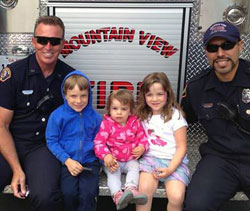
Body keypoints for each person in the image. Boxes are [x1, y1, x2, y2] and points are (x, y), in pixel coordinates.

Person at [0, 16, 75, 210]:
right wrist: (17, 170)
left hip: (44, 147)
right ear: (34, 41)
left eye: (54, 41)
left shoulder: (70, 79)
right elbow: (1, 125)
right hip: (10, 142)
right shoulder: (13, 74)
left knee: (46, 197)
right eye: (42, 40)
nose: (48, 46)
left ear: (62, 44)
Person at [181, 21, 250, 211]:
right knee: (196, 206)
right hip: (220, 160)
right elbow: (178, 121)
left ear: (240, 46)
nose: (220, 54)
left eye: (227, 45)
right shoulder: (197, 87)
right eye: (213, 48)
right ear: (206, 52)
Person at [46, 70, 102, 211]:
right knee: (68, 193)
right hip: (67, 163)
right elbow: (52, 141)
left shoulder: (95, 117)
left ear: (89, 95)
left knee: (88, 194)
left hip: (90, 163)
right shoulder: (57, 116)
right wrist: (67, 160)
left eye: (83, 96)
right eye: (73, 96)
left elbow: (101, 141)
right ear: (65, 95)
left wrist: (102, 161)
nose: (78, 101)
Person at [136, 72, 190, 211]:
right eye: (149, 95)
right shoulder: (142, 115)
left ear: (168, 93)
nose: (154, 99)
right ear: (144, 96)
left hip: (174, 162)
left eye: (159, 94)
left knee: (177, 196)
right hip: (150, 159)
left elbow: (181, 147)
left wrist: (170, 169)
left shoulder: (175, 115)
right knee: (144, 191)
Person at [94, 89, 149, 210]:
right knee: (113, 174)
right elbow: (99, 142)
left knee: (135, 168)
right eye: (115, 108)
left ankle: (131, 189)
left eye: (124, 109)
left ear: (130, 110)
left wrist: (142, 147)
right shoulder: (107, 124)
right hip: (113, 160)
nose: (119, 112)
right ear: (109, 109)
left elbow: (143, 138)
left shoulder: (135, 122)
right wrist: (106, 156)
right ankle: (117, 195)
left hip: (130, 159)